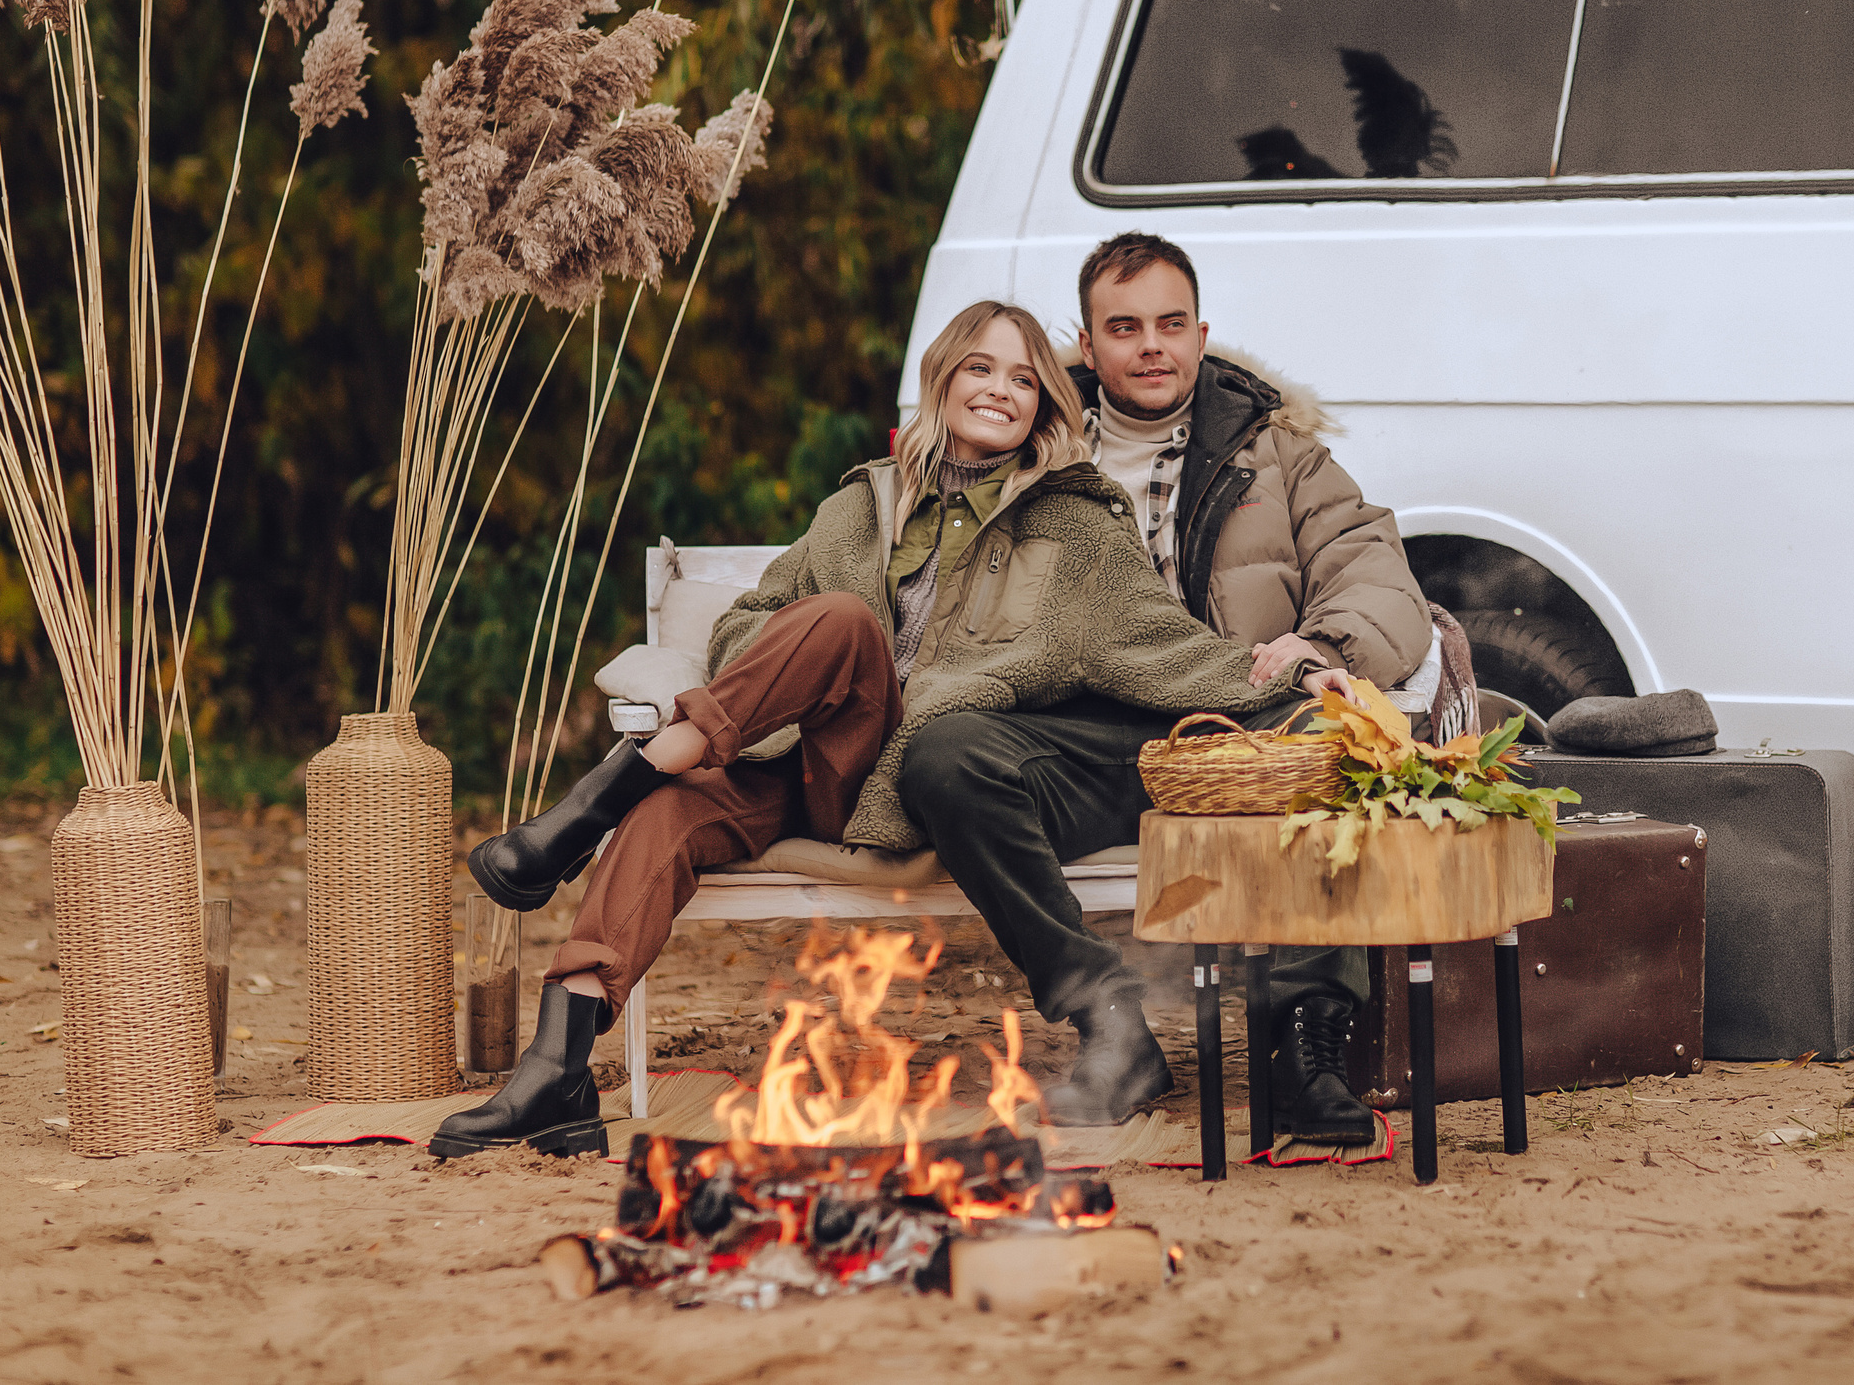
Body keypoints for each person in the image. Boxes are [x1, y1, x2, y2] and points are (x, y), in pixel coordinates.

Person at [433, 298, 1354, 1159]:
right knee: (670, 812)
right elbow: (745, 624)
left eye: (1024, 378)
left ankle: (592, 801)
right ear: (943, 381)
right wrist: (784, 675)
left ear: (1042, 405)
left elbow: (1161, 649)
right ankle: (557, 1069)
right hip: (796, 764)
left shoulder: (1075, 528)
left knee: (843, 625)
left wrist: (1298, 672)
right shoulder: (858, 506)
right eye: (979, 370)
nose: (999, 389)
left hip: (916, 779)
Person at [900, 233, 1432, 1141]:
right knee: (946, 756)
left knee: (1331, 736)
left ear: (1201, 332)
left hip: (1239, 722)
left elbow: (1375, 568)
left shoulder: (1278, 453)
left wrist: (1324, 640)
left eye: (1171, 324)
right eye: (1125, 326)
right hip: (1082, 737)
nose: (1152, 344)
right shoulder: (1031, 446)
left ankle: (1305, 1047)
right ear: (1087, 340)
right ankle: (1111, 1025)